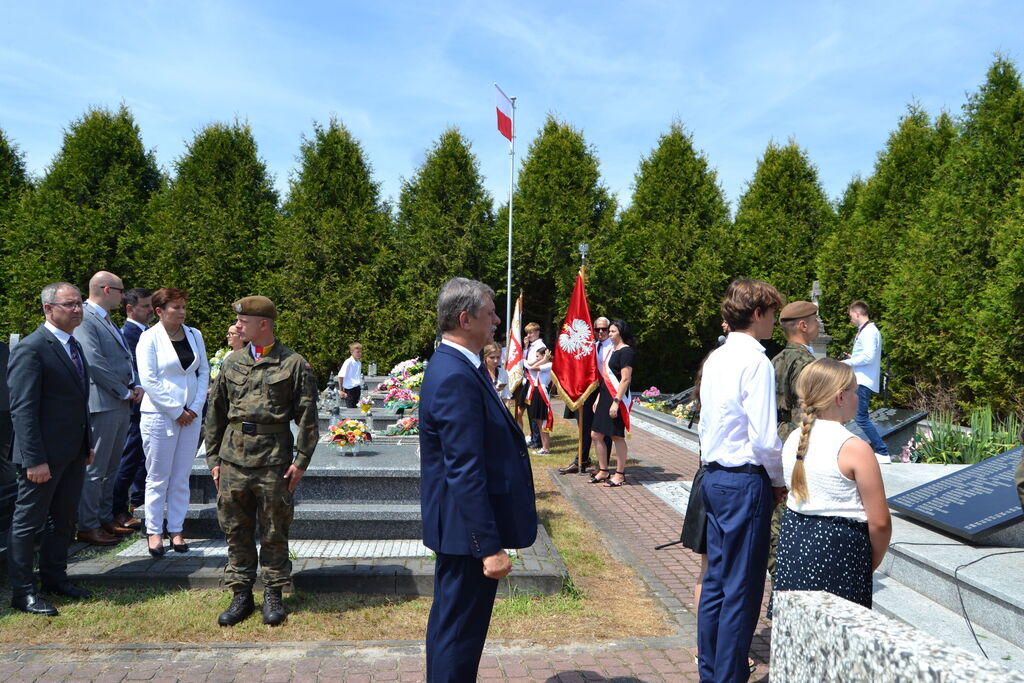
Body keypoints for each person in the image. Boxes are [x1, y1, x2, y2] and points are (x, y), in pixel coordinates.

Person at [419, 277, 538, 681]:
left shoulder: (459, 365)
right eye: (489, 313)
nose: (497, 320)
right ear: (465, 319)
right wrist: (488, 548)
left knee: (453, 632)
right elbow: (464, 469)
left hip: (460, 530)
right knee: (458, 638)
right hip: (466, 536)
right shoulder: (455, 374)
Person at [205, 296, 318, 627]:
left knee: (273, 529)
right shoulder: (231, 362)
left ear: (263, 325)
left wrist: (302, 460)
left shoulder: (294, 364)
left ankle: (273, 593)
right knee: (235, 529)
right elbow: (216, 414)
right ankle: (240, 594)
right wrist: (213, 457)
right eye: (238, 321)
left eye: (244, 321)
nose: (237, 326)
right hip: (232, 459)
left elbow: (308, 416)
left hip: (273, 461)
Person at [697, 279, 786, 683]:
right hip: (743, 479)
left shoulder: (717, 356)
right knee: (742, 589)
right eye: (771, 313)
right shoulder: (757, 361)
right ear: (756, 314)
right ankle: (728, 676)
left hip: (714, 475)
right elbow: (765, 438)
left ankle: (711, 670)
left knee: (716, 581)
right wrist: (779, 480)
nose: (774, 322)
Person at [772, 358, 892, 612]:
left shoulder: (794, 437)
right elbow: (880, 522)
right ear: (840, 397)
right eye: (855, 390)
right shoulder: (854, 448)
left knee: (797, 630)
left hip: (795, 540)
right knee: (840, 637)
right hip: (840, 548)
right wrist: (870, 561)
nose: (858, 397)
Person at [7, 283, 96, 615]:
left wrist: (86, 444)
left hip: (72, 453)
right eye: (69, 304)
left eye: (78, 304)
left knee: (63, 520)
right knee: (28, 523)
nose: (77, 309)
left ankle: (55, 579)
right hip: (41, 458)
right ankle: (23, 592)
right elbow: (23, 410)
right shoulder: (32, 349)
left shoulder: (73, 345)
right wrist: (34, 459)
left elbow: (77, 402)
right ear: (48, 308)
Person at [138, 288, 209, 558]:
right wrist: (176, 409)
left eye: (183, 307)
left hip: (191, 415)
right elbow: (149, 379)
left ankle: (177, 529)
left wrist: (194, 407)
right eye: (175, 307)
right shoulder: (149, 338)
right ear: (159, 311)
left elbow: (203, 372)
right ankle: (154, 530)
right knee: (158, 476)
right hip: (160, 415)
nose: (181, 312)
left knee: (181, 476)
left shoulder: (194, 334)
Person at [76, 271, 143, 546]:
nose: (123, 295)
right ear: (106, 289)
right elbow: (94, 362)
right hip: (103, 403)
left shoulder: (105, 318)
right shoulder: (86, 318)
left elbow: (124, 358)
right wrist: (124, 390)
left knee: (111, 466)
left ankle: (104, 518)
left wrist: (134, 384)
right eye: (120, 290)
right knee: (96, 468)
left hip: (117, 402)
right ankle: (88, 524)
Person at [768, 300, 820, 579]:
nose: (819, 324)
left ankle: (779, 573)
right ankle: (785, 579)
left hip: (777, 438)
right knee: (788, 514)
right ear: (803, 325)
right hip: (794, 444)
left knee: (778, 514)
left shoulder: (776, 359)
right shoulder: (805, 363)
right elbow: (804, 414)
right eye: (815, 319)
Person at [110, 287, 152, 533]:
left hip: (146, 405)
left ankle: (137, 501)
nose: (150, 311)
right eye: (145, 306)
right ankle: (117, 509)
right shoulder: (128, 334)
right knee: (129, 457)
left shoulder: (145, 333)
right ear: (130, 308)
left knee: (140, 457)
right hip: (136, 404)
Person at [559, 317, 612, 475]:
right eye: (597, 329)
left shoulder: (613, 348)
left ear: (610, 330)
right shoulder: (592, 347)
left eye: (604, 329)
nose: (601, 332)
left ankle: (602, 465)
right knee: (584, 426)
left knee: (604, 430)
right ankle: (581, 460)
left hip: (606, 391)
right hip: (589, 392)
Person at [841, 301, 890, 464]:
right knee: (853, 415)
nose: (851, 320)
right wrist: (851, 358)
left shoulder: (869, 331)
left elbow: (868, 357)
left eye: (850, 316)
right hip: (860, 380)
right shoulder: (866, 331)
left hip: (862, 381)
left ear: (857, 313)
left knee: (861, 418)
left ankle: (882, 451)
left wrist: (846, 363)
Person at [589, 319, 635, 488]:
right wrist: (599, 398)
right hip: (605, 395)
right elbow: (605, 378)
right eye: (610, 331)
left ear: (621, 333)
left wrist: (616, 402)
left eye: (613, 331)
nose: (610, 334)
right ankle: (603, 470)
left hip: (617, 397)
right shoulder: (612, 351)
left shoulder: (626, 352)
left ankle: (620, 473)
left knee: (616, 435)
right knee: (596, 434)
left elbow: (625, 379)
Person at [525, 338, 554, 455]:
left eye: (538, 356)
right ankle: (543, 446)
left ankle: (546, 448)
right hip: (537, 391)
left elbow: (533, 367)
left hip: (542, 392)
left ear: (544, 356)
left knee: (543, 421)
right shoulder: (544, 363)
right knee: (538, 420)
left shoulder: (549, 364)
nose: (536, 358)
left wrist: (545, 359)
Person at [515, 323, 542, 447]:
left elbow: (533, 364)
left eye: (531, 333)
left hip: (535, 383)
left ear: (537, 332)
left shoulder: (541, 346)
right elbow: (527, 360)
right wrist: (525, 347)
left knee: (533, 413)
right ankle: (527, 436)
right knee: (520, 410)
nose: (529, 335)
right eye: (527, 333)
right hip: (527, 382)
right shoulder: (531, 346)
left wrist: (522, 361)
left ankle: (536, 440)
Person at [337, 342, 364, 409]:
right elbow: (341, 375)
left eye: (360, 352)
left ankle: (355, 420)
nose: (359, 354)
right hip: (349, 389)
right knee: (350, 408)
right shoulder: (348, 362)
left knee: (356, 407)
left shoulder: (359, 363)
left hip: (357, 388)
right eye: (357, 352)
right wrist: (341, 390)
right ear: (351, 352)